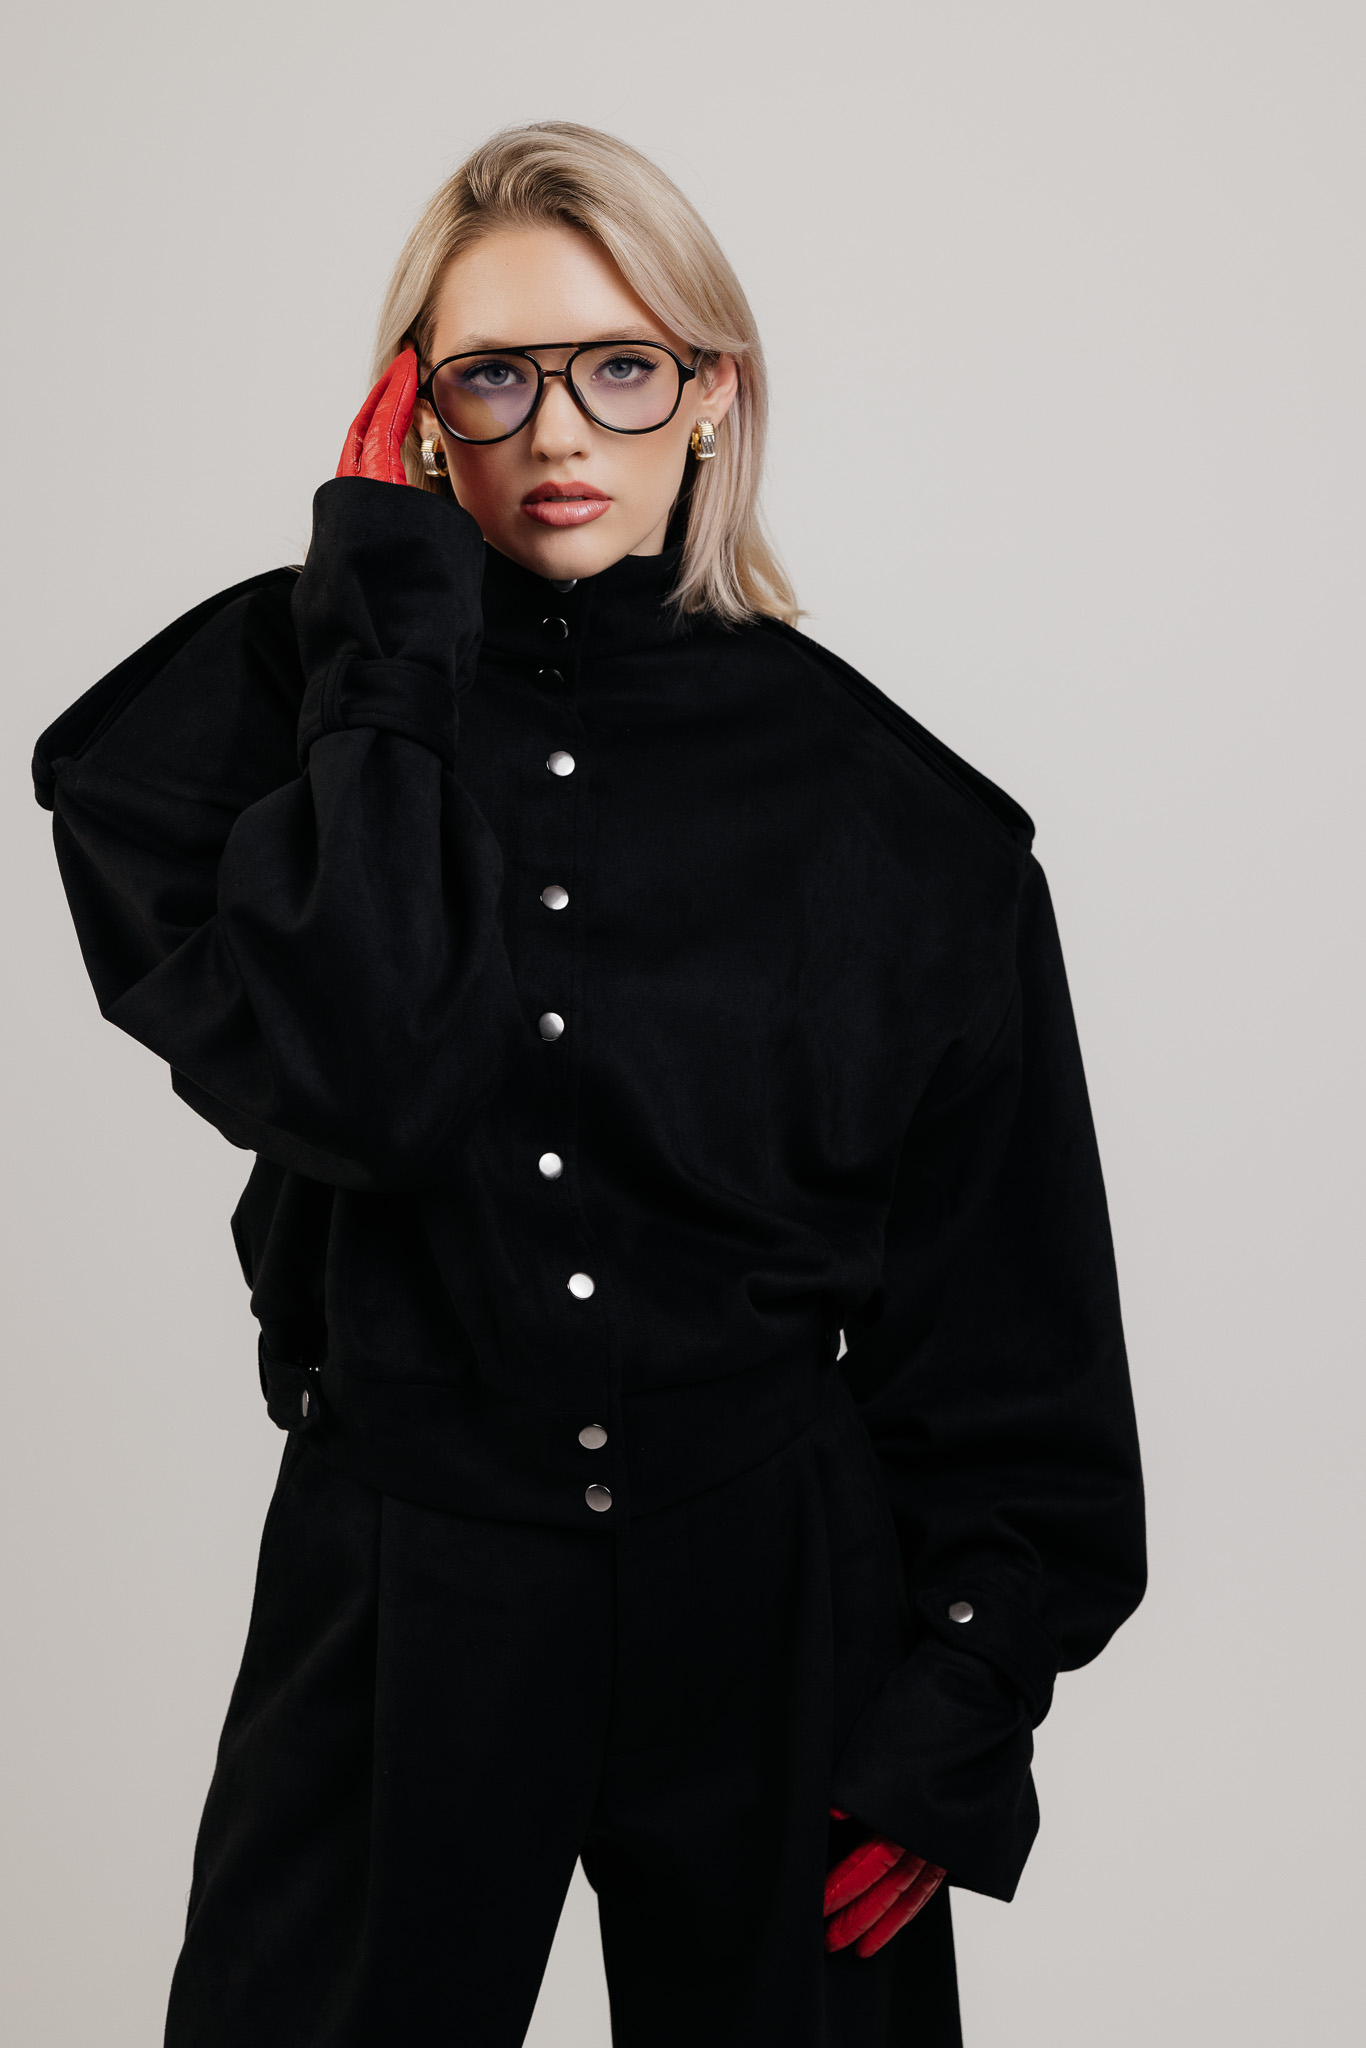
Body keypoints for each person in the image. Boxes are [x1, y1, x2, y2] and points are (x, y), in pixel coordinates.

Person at [32, 121, 1145, 2048]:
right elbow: (369, 1081)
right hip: (401, 1565)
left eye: (622, 367)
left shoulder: (903, 823)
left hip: (774, 1588)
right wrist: (382, 642)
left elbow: (1011, 1329)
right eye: (492, 375)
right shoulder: (245, 727)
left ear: (711, 391)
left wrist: (960, 1701)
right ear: (410, 411)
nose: (558, 431)